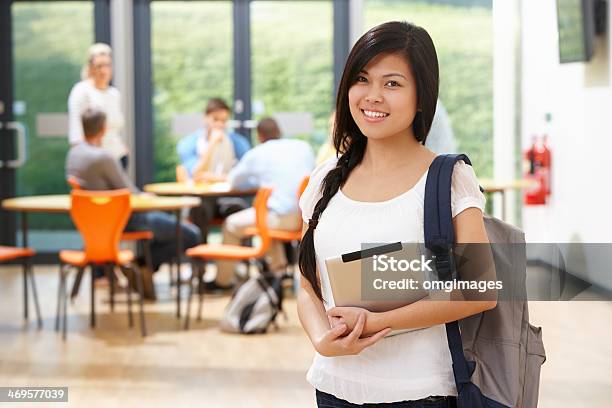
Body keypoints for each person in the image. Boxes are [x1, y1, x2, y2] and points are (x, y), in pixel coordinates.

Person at [297, 21, 493, 407]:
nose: (373, 96)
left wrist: (377, 322)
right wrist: (321, 337)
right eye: (363, 79)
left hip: (420, 392)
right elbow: (306, 279)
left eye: (392, 84)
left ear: (421, 97)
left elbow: (481, 287)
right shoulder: (324, 179)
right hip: (334, 386)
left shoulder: (449, 177)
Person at [66, 108, 201, 300]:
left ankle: (142, 267)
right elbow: (128, 191)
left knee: (167, 228)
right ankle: (143, 265)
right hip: (126, 219)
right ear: (104, 128)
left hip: (94, 223)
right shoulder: (103, 157)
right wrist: (149, 199)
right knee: (191, 235)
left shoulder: (74, 154)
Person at [210, 117, 315, 291]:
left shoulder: (258, 153)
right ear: (279, 132)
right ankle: (279, 273)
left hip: (279, 217)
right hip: (305, 218)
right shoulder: (303, 147)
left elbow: (234, 181)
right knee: (267, 219)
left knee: (231, 224)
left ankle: (222, 281)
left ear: (259, 136)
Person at [176, 98, 251, 243]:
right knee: (199, 209)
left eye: (224, 121)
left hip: (225, 199)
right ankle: (200, 260)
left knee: (240, 208)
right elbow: (195, 174)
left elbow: (245, 174)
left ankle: (240, 258)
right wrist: (211, 145)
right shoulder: (188, 144)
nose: (220, 125)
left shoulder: (238, 143)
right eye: (215, 119)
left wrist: (215, 178)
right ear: (205, 118)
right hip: (201, 200)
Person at [68, 43, 129, 170]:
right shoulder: (81, 91)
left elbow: (115, 126)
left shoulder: (114, 94)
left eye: (107, 65)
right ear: (90, 68)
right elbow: (76, 131)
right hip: (94, 160)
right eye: (99, 66)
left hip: (117, 157)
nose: (103, 71)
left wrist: (122, 148)